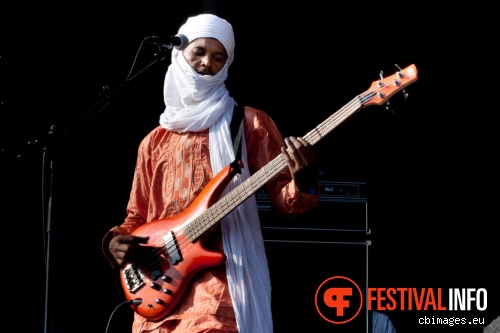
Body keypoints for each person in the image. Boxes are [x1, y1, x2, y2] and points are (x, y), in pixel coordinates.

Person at [101, 13, 320, 333]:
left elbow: (285, 200)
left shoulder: (248, 123)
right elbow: (137, 218)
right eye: (199, 53)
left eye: (219, 57)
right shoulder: (153, 142)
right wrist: (116, 243)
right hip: (157, 292)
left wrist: (303, 179)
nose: (207, 63)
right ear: (178, 55)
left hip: (222, 288)